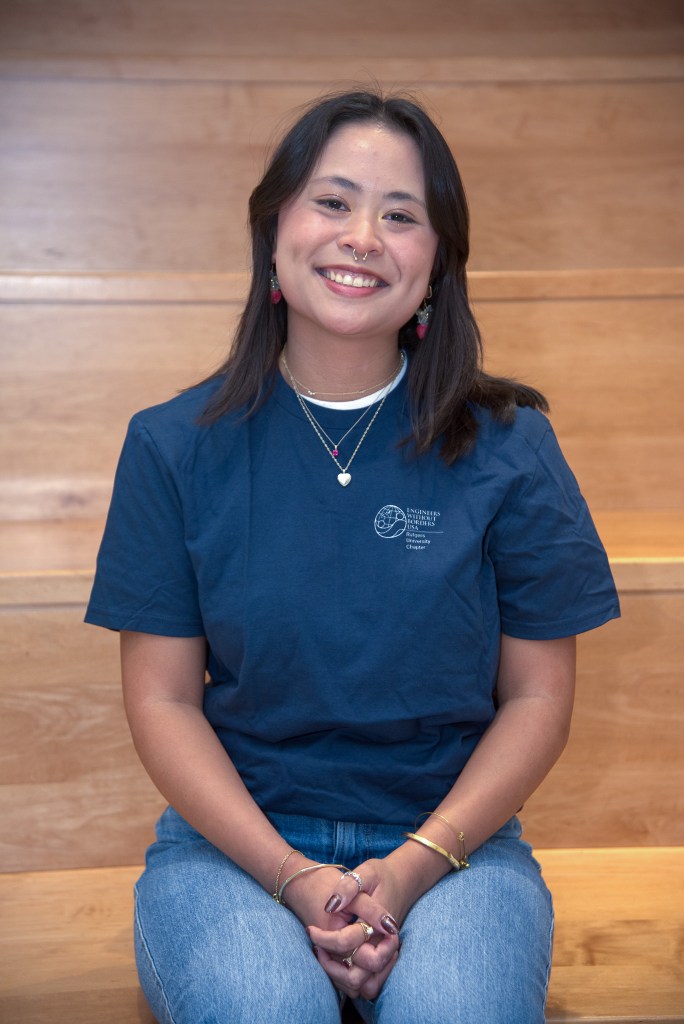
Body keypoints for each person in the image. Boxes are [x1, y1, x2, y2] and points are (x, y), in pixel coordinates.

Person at [85, 89, 620, 1024]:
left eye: (401, 216)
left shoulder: (511, 446)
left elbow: (539, 699)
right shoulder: (172, 446)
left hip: (456, 848)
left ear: (438, 260)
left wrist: (411, 869)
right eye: (332, 202)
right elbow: (162, 701)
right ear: (274, 230)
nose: (362, 237)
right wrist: (292, 875)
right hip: (235, 848)